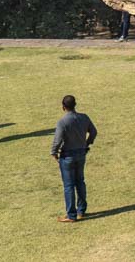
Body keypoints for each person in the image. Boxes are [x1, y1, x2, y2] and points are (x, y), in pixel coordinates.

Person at [50, 94, 98, 222]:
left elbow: (57, 140)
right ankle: (81, 211)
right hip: (81, 154)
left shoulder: (62, 122)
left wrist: (54, 152)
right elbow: (93, 132)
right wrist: (87, 143)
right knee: (80, 182)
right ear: (75, 105)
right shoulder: (84, 117)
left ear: (63, 107)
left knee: (69, 185)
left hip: (67, 156)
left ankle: (71, 215)